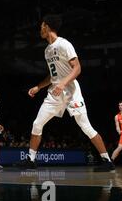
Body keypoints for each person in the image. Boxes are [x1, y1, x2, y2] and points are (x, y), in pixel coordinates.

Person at [17, 15, 114, 171]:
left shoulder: (64, 44)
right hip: (55, 92)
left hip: (71, 91)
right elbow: (52, 75)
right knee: (37, 124)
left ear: (47, 27)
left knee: (85, 126)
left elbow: (77, 68)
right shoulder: (47, 50)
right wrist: (39, 87)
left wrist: (63, 83)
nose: (40, 29)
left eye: (41, 26)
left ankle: (107, 161)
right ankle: (31, 160)